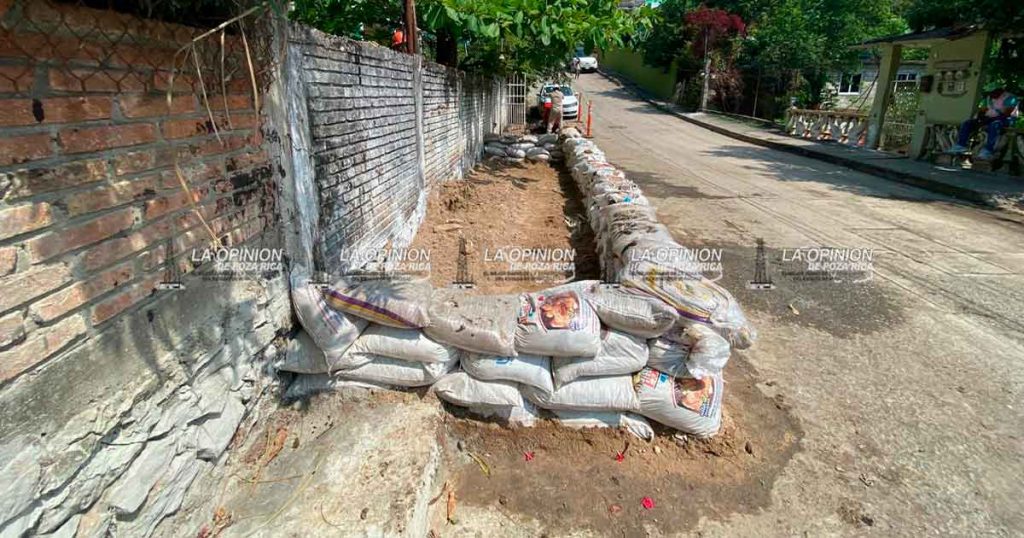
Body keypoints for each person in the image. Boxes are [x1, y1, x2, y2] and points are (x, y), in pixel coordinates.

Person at [950, 88, 1019, 160]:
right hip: (990, 118)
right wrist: (980, 118)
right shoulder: (989, 98)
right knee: (967, 123)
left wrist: (992, 118)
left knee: (994, 125)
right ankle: (960, 145)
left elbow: (1007, 113)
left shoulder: (1010, 98)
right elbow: (983, 109)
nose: (992, 96)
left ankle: (988, 150)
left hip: (1004, 119)